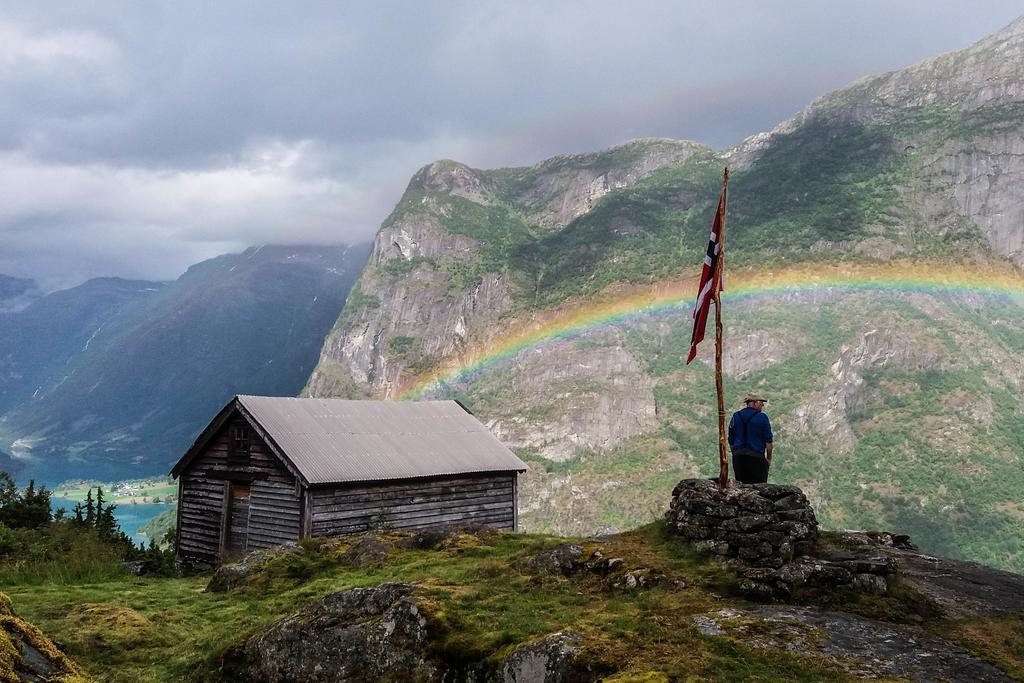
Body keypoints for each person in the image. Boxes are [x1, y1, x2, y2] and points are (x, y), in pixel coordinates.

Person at [728, 394, 773, 484]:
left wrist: (735, 454)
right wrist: (768, 459)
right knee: (759, 489)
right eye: (761, 403)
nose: (762, 405)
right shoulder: (762, 417)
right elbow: (768, 441)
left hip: (739, 458)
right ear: (755, 403)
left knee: (741, 487)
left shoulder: (736, 416)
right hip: (756, 458)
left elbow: (731, 439)